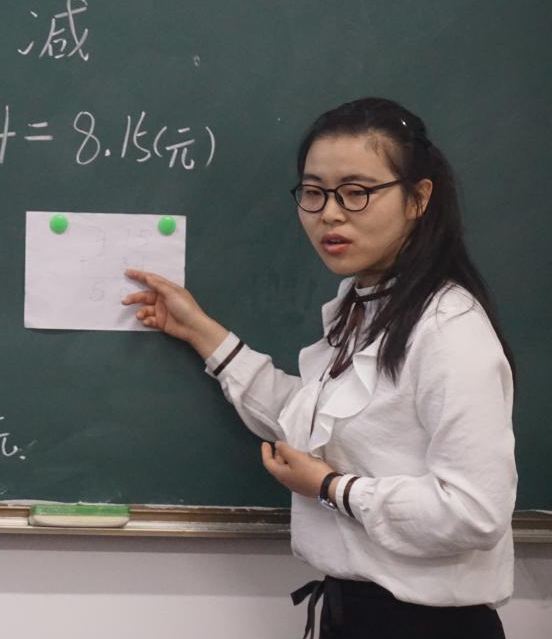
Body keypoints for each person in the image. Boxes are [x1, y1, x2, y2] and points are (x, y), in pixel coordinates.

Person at [122, 98, 516, 639]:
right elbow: (308, 421)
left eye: (357, 192)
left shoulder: (447, 328)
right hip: (354, 614)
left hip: (427, 626)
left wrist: (332, 488)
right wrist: (200, 332)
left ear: (418, 198)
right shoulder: (367, 305)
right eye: (314, 192)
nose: (330, 213)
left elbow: (475, 511)